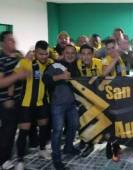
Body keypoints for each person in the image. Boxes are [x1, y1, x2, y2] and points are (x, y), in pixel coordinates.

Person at [14, 41, 53, 170]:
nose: (44, 56)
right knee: (24, 132)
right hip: (26, 104)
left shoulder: (50, 64)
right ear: (35, 52)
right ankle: (20, 160)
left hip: (43, 103)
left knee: (43, 128)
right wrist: (24, 61)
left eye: (46, 53)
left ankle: (42, 150)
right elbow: (15, 75)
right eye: (41, 54)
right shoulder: (27, 62)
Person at [43, 44, 80, 170]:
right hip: (57, 104)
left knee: (74, 126)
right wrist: (61, 76)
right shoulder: (55, 65)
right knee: (57, 131)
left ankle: (68, 147)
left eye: (72, 53)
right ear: (63, 53)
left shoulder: (75, 66)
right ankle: (56, 158)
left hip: (71, 103)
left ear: (75, 55)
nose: (70, 55)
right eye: (67, 52)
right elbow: (45, 79)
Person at [0, 31, 29, 170]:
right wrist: (18, 76)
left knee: (23, 129)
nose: (13, 42)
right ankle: (3, 160)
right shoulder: (0, 59)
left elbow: (23, 75)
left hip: (21, 100)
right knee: (8, 132)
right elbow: (1, 83)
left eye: (14, 40)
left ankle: (20, 158)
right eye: (10, 40)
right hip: (6, 102)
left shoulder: (18, 56)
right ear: (2, 43)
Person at [76, 44, 103, 157]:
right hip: (81, 98)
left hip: (96, 98)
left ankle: (90, 144)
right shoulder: (76, 64)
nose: (86, 56)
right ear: (80, 55)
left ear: (92, 54)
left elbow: (105, 76)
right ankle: (83, 140)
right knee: (82, 120)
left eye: (88, 54)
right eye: (83, 54)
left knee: (92, 121)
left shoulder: (99, 63)